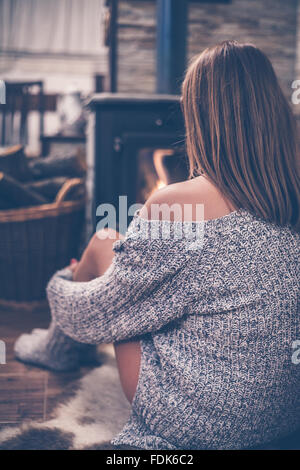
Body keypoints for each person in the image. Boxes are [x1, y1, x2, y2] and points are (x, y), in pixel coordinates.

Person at [15, 40, 300, 450]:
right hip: (284, 412)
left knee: (103, 244)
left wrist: (63, 283)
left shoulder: (175, 202)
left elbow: (104, 312)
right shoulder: (290, 193)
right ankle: (58, 344)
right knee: (137, 267)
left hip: (200, 422)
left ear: (202, 116)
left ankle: (56, 348)